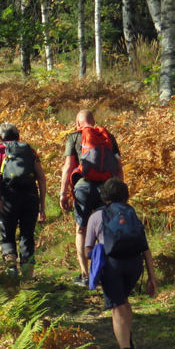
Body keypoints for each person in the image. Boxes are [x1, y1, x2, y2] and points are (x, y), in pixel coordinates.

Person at [84, 178, 157, 349]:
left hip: (112, 266)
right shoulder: (131, 214)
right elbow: (145, 248)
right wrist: (152, 277)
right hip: (135, 265)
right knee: (123, 301)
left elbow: (87, 250)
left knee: (117, 308)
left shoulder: (97, 216)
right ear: (126, 195)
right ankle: (129, 342)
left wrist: (94, 257)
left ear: (104, 196)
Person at [60, 109, 124, 287]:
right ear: (93, 121)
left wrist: (63, 192)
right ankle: (107, 272)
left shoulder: (74, 137)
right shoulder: (108, 137)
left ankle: (85, 274)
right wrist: (121, 192)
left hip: (83, 188)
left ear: (78, 123)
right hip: (107, 188)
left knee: (81, 229)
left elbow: (68, 167)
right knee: (105, 230)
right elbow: (119, 166)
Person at [0, 122, 47, 278]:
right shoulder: (29, 150)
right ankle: (28, 275)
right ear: (18, 135)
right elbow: (41, 178)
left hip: (8, 196)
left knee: (7, 233)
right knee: (27, 235)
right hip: (30, 196)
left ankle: (11, 270)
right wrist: (42, 206)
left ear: (0, 137)